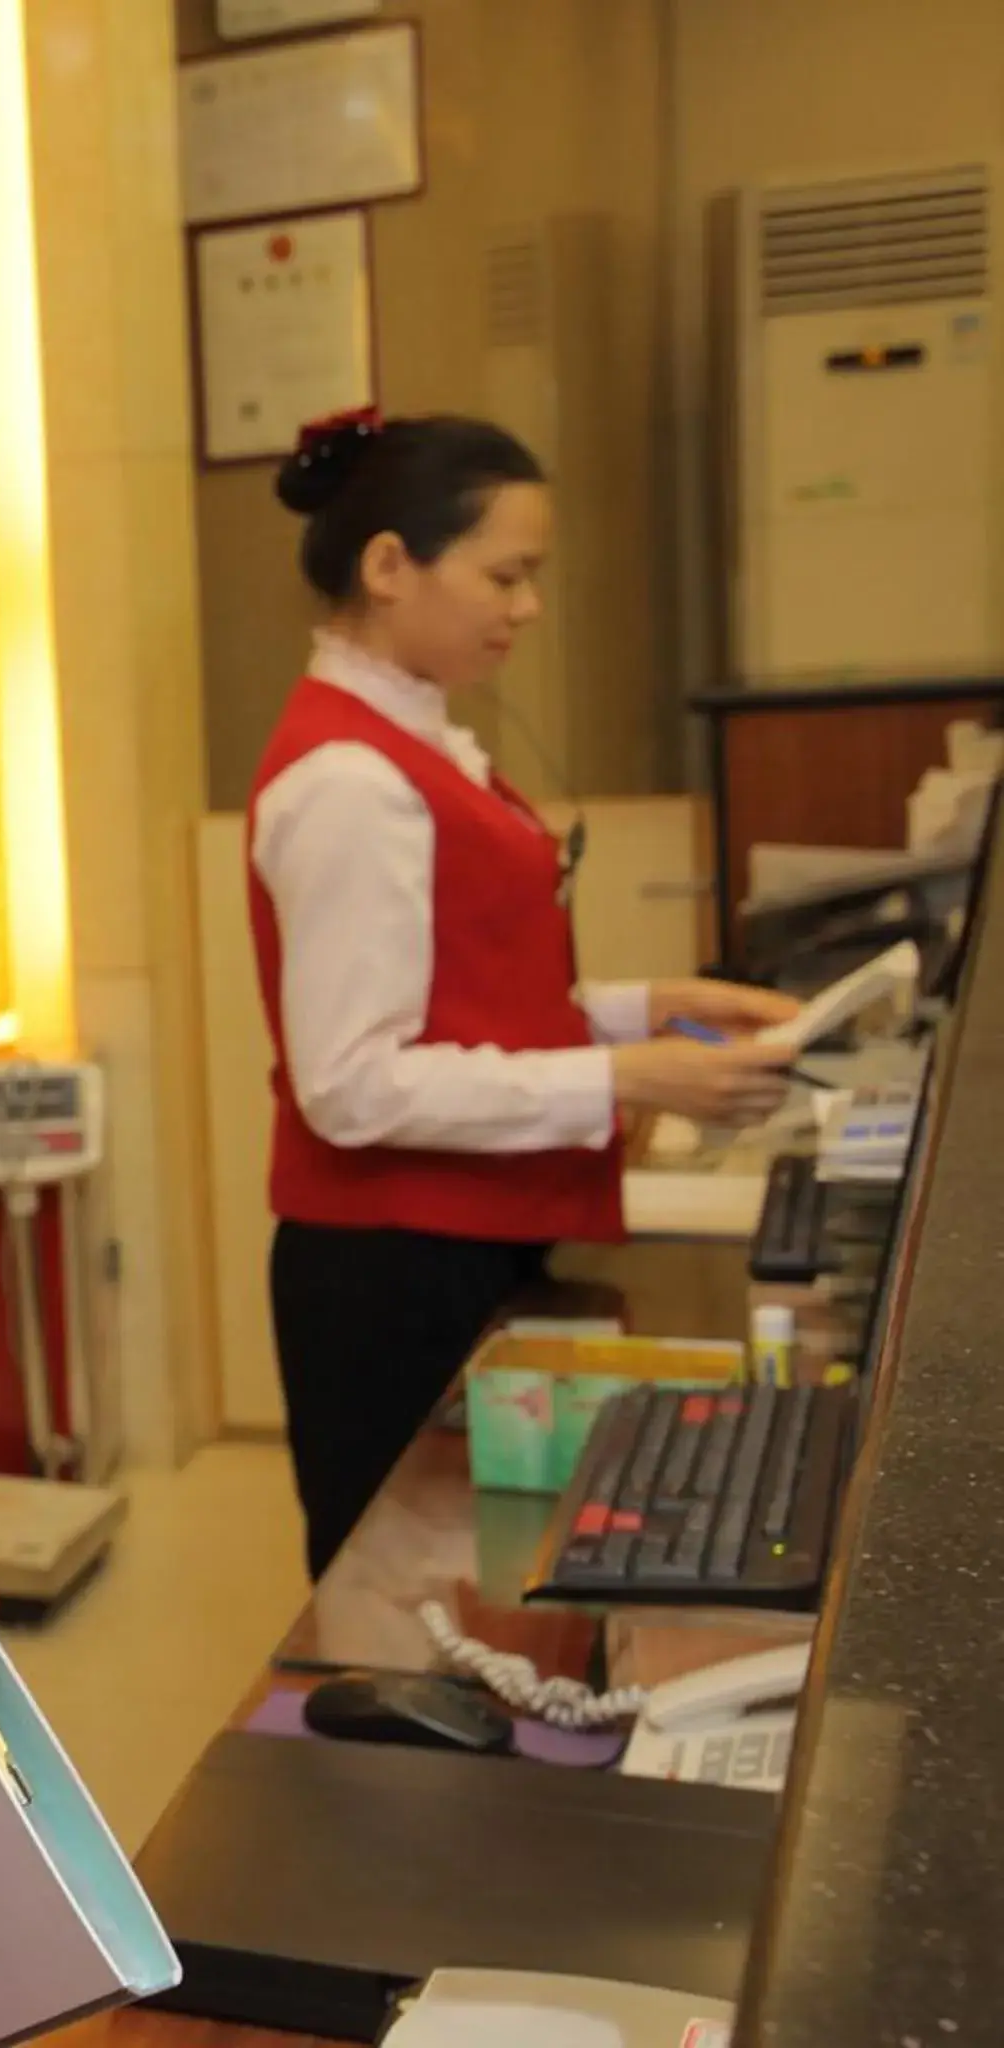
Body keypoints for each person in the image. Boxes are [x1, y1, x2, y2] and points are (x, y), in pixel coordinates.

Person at [249, 409, 799, 1580]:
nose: (527, 606)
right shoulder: (351, 779)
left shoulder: (421, 741)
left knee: (499, 1573)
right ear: (391, 564)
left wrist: (651, 1005)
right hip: (393, 1267)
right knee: (410, 1604)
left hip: (456, 1237)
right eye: (505, 574)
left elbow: (468, 990)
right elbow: (352, 1084)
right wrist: (626, 1074)